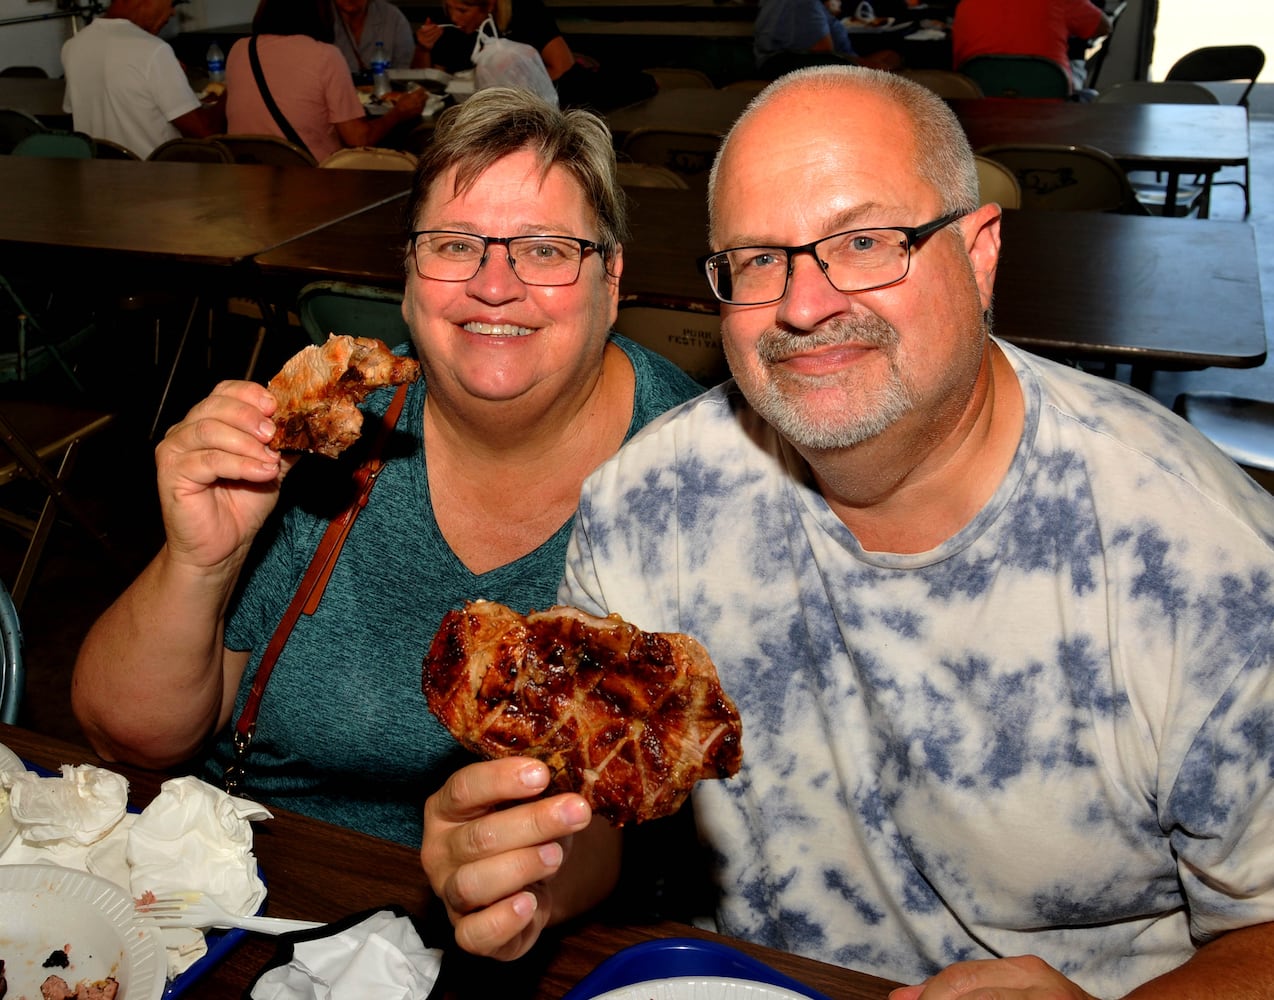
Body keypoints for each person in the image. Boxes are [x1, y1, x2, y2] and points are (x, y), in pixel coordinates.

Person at [418, 66, 1274, 996]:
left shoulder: (1202, 561)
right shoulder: (645, 503)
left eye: (866, 242)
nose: (804, 305)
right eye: (758, 259)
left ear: (980, 254)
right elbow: (596, 823)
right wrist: (528, 877)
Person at [70, 87, 704, 848]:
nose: (494, 284)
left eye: (545, 249)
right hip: (261, 866)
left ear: (612, 280)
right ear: (407, 274)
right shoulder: (331, 428)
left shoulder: (700, 470)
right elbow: (127, 740)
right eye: (454, 243)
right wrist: (201, 561)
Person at [224, 0, 426, 163]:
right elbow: (358, 138)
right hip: (315, 178)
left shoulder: (240, 49)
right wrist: (398, 113)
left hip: (248, 175)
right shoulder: (324, 55)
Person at [414, 0, 656, 111]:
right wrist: (424, 47)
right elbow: (432, 81)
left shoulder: (525, 11)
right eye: (449, 9)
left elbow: (563, 67)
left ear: (488, 6)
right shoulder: (452, 29)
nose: (454, 18)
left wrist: (515, 88)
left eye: (463, 11)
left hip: (549, 105)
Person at [60, 0, 226, 158]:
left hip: (99, 178)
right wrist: (230, 95)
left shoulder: (73, 46)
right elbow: (204, 132)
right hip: (158, 177)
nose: (172, 12)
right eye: (170, 3)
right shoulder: (153, 49)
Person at [952, 0, 1111, 93]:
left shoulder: (965, 4)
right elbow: (1104, 27)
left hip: (979, 109)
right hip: (1050, 109)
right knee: (1078, 67)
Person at [752, 0, 903, 78]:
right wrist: (874, 67)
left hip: (829, 68)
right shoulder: (802, 4)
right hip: (823, 78)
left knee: (891, 55)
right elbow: (823, 59)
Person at [330, 0, 420, 76]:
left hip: (385, 93)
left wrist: (423, 49)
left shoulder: (392, 17)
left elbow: (408, 73)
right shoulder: (320, 17)